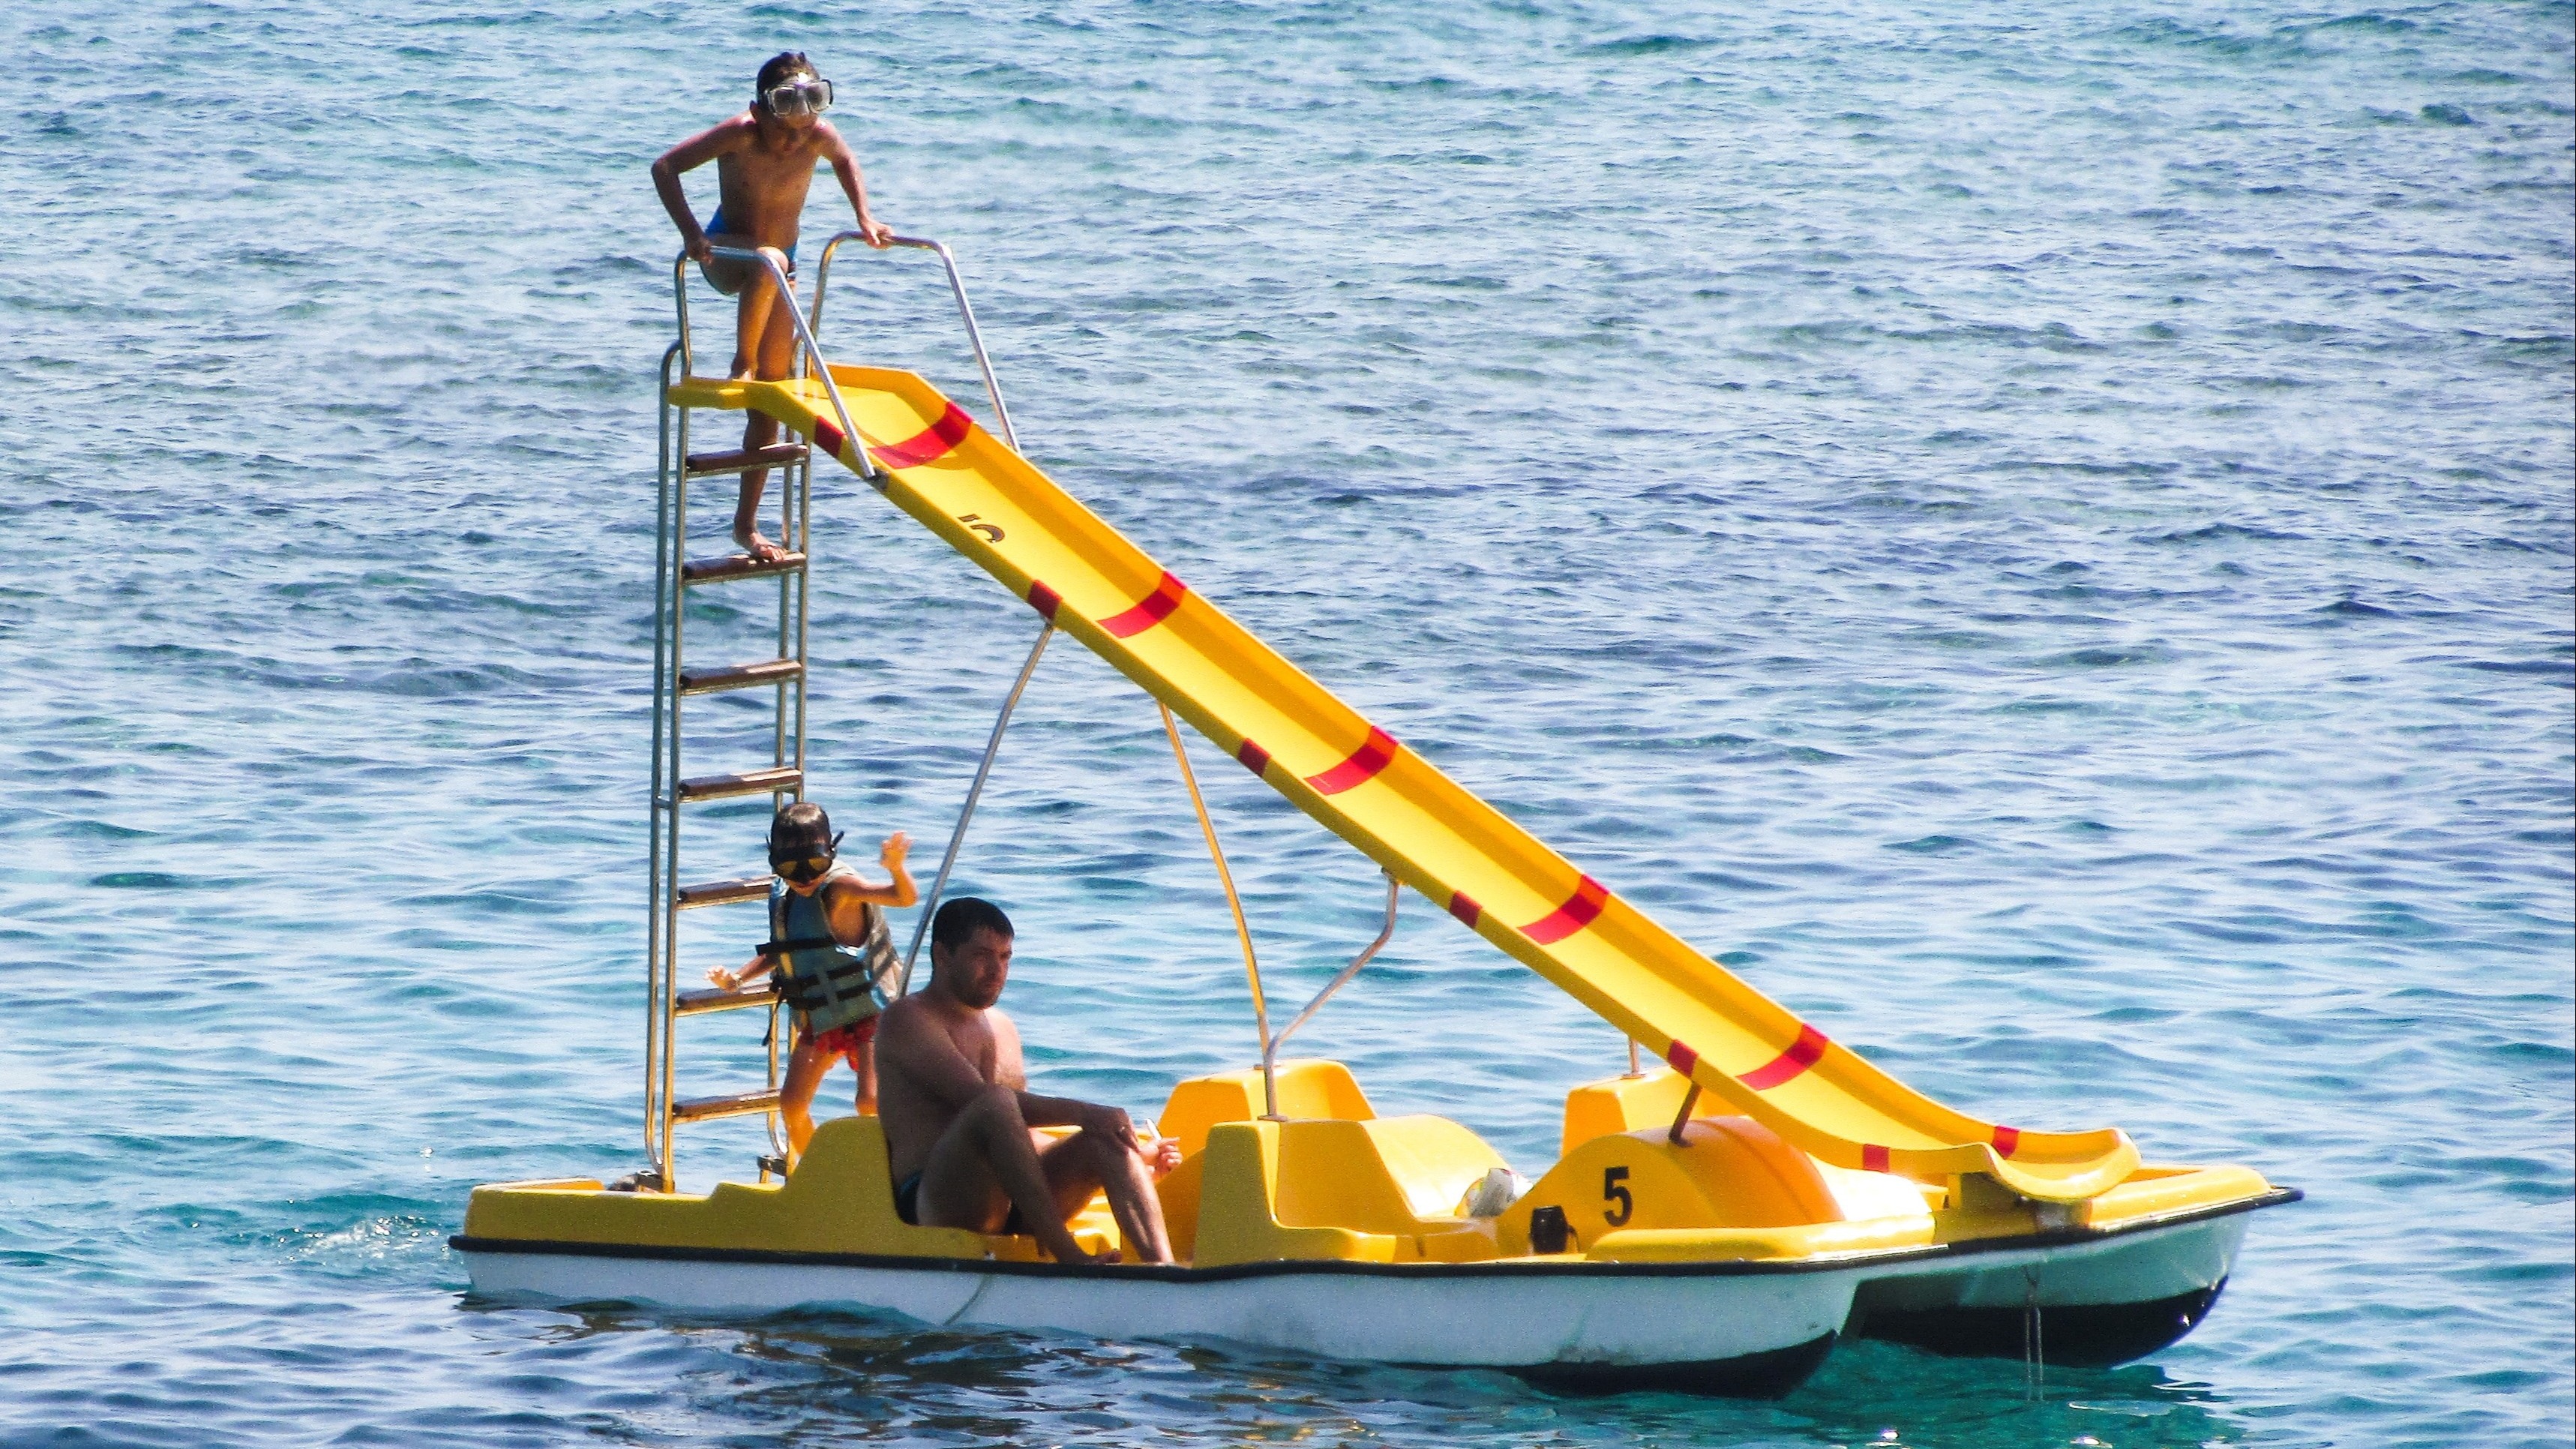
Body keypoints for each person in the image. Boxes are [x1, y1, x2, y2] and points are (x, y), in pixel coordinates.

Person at [650, 50, 892, 563]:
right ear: (760, 110)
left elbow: (846, 161)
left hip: (781, 267)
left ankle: (746, 527)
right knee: (767, 262)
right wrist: (691, 233)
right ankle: (741, 361)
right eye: (785, 116)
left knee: (772, 398)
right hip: (728, 251)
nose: (795, 133)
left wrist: (865, 217)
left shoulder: (819, 136)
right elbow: (665, 166)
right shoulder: (739, 132)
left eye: (809, 113)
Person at [876, 897, 1183, 1264]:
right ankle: (1069, 1256)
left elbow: (1015, 1133)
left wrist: (1137, 1157)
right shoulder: (907, 1019)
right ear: (942, 955)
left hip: (1015, 1197)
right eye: (982, 956)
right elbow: (982, 1103)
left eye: (1005, 957)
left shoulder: (1003, 1028)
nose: (997, 970)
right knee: (995, 1101)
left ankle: (1164, 1273)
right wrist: (1085, 1112)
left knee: (1103, 1136)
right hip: (939, 1199)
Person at [707, 802, 915, 1160]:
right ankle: (816, 1175)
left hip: (871, 1013)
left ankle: (892, 1173)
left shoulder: (842, 888)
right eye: (790, 868)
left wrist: (896, 869)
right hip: (825, 1018)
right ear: (774, 864)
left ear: (830, 854)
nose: (804, 878)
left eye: (815, 865)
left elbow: (904, 898)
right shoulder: (788, 898)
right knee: (791, 1105)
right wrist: (738, 978)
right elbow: (783, 950)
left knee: (869, 1101)